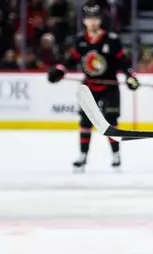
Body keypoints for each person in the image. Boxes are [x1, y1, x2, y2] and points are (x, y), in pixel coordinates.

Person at [47, 1, 139, 172]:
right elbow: (71, 60)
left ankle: (115, 155)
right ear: (84, 21)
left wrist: (130, 76)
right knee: (85, 121)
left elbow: (124, 62)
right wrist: (59, 70)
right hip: (89, 86)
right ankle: (82, 157)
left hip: (109, 85)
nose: (93, 22)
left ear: (100, 20)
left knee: (111, 121)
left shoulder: (112, 40)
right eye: (89, 18)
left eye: (95, 18)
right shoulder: (81, 41)